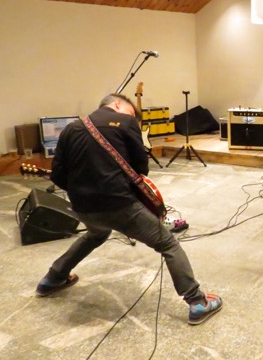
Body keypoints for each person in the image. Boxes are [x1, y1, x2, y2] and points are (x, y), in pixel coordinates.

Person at [35, 93, 222, 325]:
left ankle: (52, 279)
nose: (132, 118)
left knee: (96, 234)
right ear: (117, 104)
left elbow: (58, 174)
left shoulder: (71, 128)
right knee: (168, 244)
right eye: (131, 112)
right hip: (119, 203)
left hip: (82, 206)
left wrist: (82, 193)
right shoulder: (126, 122)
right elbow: (141, 168)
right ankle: (197, 302)